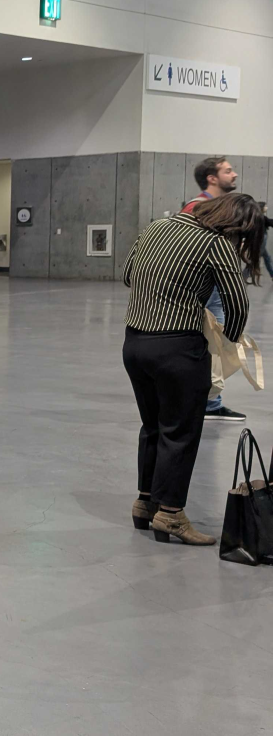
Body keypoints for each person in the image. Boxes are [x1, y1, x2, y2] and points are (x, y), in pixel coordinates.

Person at [121, 192, 264, 544]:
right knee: (180, 432)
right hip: (178, 350)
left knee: (152, 426)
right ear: (237, 226)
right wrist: (226, 342)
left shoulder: (157, 225)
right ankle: (170, 515)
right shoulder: (216, 244)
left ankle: (145, 503)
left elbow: (127, 275)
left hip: (134, 344)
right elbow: (238, 304)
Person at [183, 156, 245, 421]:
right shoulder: (197, 208)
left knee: (217, 346)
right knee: (201, 344)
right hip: (203, 287)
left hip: (219, 288)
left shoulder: (223, 207)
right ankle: (201, 403)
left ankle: (210, 403)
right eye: (228, 171)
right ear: (212, 177)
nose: (235, 175)